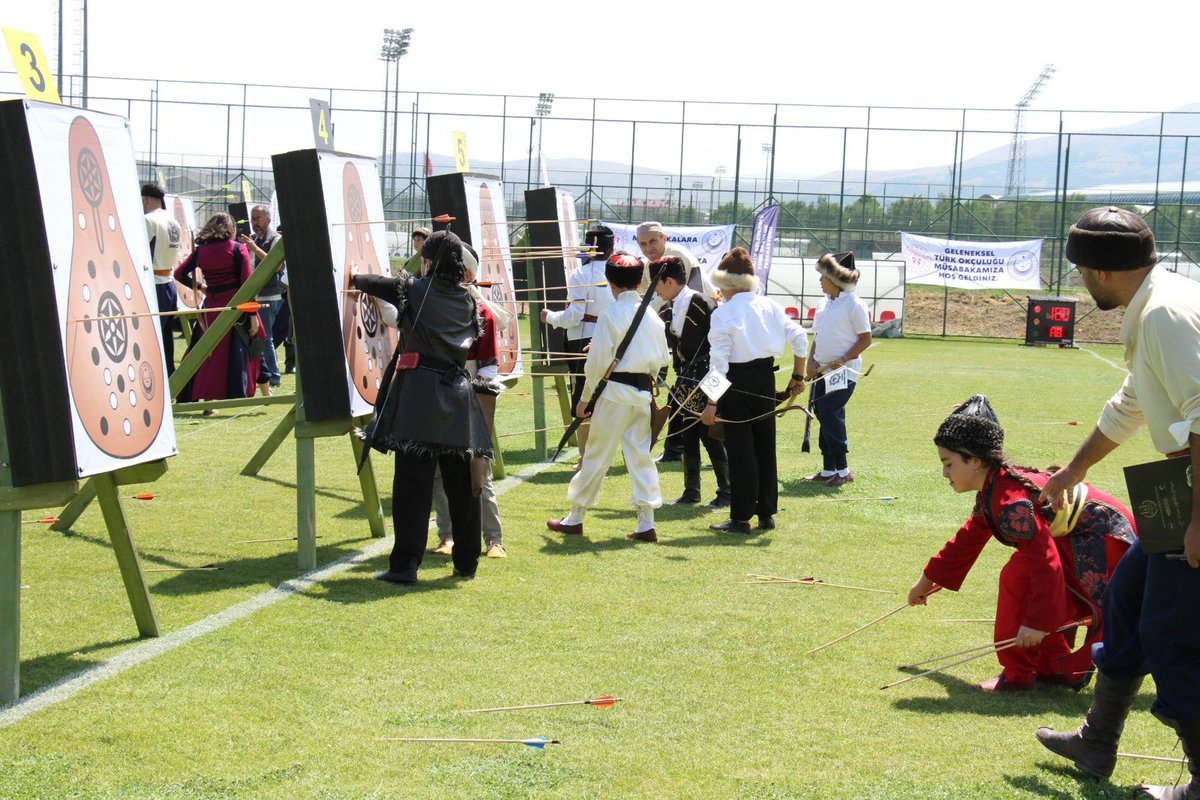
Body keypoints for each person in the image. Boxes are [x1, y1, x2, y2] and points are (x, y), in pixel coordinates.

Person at [1033, 207, 1200, 798]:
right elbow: (1132, 402)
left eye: (1078, 269)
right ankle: (1097, 741)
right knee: (1127, 602)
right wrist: (1075, 468)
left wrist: (1199, 521)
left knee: (1172, 634)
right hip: (1181, 490)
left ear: (1100, 273)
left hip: (1196, 491)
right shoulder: (1160, 300)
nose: (1078, 279)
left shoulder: (1163, 314)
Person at [908, 395, 1135, 693]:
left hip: (1103, 536)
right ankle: (1050, 667)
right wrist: (926, 581)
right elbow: (967, 539)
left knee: (1019, 575)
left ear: (974, 461)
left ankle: (1020, 676)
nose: (944, 473)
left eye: (948, 463)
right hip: (1086, 534)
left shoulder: (1010, 503)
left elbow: (1046, 564)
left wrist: (1038, 623)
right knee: (1021, 574)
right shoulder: (993, 490)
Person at [353, 230, 491, 584]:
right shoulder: (469, 299)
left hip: (421, 398)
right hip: (458, 396)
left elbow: (371, 282)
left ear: (428, 261)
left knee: (412, 488)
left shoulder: (416, 289)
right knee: (462, 487)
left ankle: (405, 566)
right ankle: (466, 562)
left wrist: (353, 274)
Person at [546, 252, 671, 542]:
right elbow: (661, 358)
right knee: (640, 457)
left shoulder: (611, 315)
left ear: (610, 283)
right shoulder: (652, 316)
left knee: (596, 456)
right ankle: (646, 522)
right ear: (640, 281)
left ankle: (576, 517)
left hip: (614, 395)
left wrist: (584, 400)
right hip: (641, 394)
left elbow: (597, 365)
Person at [701, 247, 807, 534]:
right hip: (764, 379)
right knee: (764, 446)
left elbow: (718, 365)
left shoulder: (724, 313)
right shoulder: (770, 305)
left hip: (737, 383)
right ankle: (765, 514)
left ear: (728, 284)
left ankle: (739, 518)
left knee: (741, 450)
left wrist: (711, 403)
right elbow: (800, 338)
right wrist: (798, 375)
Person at [430, 248, 508, 560]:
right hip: (437, 393)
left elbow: (488, 366)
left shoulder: (481, 312)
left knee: (478, 466)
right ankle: (447, 536)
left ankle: (493, 539)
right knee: (438, 469)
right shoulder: (431, 304)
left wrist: (481, 401)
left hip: (470, 394)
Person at [651, 255, 730, 508]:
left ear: (670, 281)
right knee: (688, 436)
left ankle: (727, 492)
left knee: (711, 436)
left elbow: (721, 349)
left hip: (709, 375)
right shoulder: (666, 309)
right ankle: (691, 491)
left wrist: (714, 391)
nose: (654, 290)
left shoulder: (703, 302)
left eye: (656, 284)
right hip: (686, 379)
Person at [635, 220, 713, 463]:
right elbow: (646, 299)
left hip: (700, 333)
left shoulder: (677, 256)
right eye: (643, 244)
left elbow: (681, 297)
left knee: (698, 402)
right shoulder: (651, 265)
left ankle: (715, 455)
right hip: (681, 335)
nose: (648, 248)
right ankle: (675, 450)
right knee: (679, 397)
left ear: (664, 239)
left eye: (653, 241)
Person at [539, 224, 616, 463]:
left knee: (584, 392)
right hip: (615, 336)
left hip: (584, 339)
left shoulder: (582, 274)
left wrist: (549, 317)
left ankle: (585, 458)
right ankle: (605, 454)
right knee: (611, 393)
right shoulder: (618, 270)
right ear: (611, 248)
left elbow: (575, 315)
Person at [173, 212, 264, 401]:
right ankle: (255, 391)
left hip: (212, 308)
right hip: (236, 309)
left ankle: (205, 398)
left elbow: (179, 274)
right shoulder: (238, 249)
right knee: (250, 346)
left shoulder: (201, 251)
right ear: (230, 229)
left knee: (206, 352)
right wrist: (253, 314)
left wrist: (203, 288)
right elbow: (247, 285)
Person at [805, 252, 872, 486]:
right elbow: (819, 336)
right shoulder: (824, 304)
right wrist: (811, 361)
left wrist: (843, 359)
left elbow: (865, 339)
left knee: (829, 412)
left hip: (844, 371)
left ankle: (843, 471)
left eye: (823, 276)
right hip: (822, 371)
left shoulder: (854, 304)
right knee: (823, 413)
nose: (820, 281)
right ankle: (828, 469)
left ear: (836, 279)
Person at [238, 205, 283, 395]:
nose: (254, 222)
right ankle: (265, 374)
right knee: (258, 336)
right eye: (252, 218)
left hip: (270, 295)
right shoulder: (254, 239)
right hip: (255, 294)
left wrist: (254, 248)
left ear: (268, 220)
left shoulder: (276, 239)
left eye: (258, 218)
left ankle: (273, 375)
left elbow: (275, 266)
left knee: (266, 337)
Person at [142, 184, 181, 376]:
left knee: (152, 338)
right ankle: (169, 378)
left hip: (154, 284)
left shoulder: (148, 220)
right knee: (166, 338)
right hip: (169, 284)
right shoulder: (173, 221)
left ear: (145, 200)